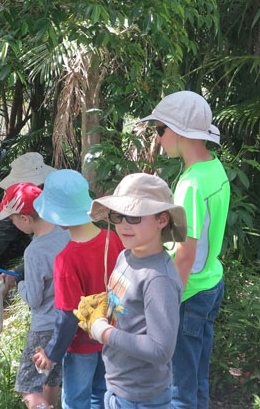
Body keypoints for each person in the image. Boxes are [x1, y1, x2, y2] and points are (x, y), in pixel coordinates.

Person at [140, 91, 230, 409]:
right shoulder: (215, 168)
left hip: (189, 294)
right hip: (210, 284)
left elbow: (185, 253)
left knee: (179, 389)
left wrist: (166, 303)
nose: (159, 138)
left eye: (160, 130)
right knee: (197, 378)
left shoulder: (191, 183)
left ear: (177, 131)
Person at [75, 173, 186, 409]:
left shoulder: (158, 279)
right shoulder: (125, 255)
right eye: (118, 215)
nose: (124, 223)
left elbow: (161, 350)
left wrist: (103, 332)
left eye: (135, 216)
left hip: (142, 397)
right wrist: (103, 308)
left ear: (162, 220)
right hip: (116, 385)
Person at [31, 169, 125, 409]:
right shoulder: (111, 239)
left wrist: (51, 354)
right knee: (102, 394)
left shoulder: (66, 260)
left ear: (57, 217)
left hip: (82, 345)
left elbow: (66, 318)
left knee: (76, 401)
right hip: (112, 337)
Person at [0, 182, 70, 409]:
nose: (12, 223)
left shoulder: (35, 250)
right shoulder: (66, 231)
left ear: (25, 219)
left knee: (28, 384)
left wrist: (17, 283)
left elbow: (34, 298)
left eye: (13, 219)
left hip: (44, 326)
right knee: (52, 377)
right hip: (67, 322)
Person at [0, 152, 56, 285]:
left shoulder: (58, 200)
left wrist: (20, 273)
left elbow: (52, 253)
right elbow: (2, 228)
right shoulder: (14, 194)